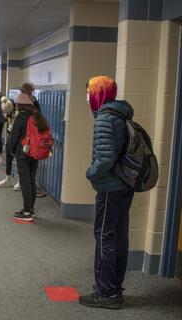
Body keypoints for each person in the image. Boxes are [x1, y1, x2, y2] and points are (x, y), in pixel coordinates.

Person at [79, 76, 134, 310]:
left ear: (98, 94)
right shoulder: (121, 115)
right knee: (118, 236)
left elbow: (105, 159)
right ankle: (113, 286)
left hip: (110, 188)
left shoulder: (105, 118)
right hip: (124, 186)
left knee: (104, 237)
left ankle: (106, 292)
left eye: (90, 92)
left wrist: (90, 173)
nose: (88, 97)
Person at [8, 92, 49, 222]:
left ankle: (27, 211)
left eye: (17, 103)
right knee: (31, 180)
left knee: (24, 181)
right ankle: (30, 209)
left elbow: (14, 136)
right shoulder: (36, 115)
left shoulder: (21, 116)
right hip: (35, 153)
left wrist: (10, 150)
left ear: (20, 105)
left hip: (23, 152)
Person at [0, 95, 16, 188]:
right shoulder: (8, 108)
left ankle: (20, 182)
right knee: (8, 157)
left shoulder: (18, 112)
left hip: (19, 139)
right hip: (10, 136)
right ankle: (7, 178)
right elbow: (6, 121)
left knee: (19, 161)